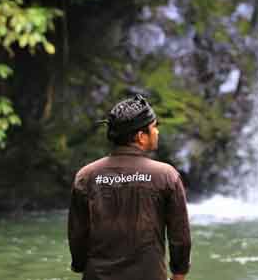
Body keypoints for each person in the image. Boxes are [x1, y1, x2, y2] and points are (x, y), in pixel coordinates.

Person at [68, 94, 191, 280]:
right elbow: (180, 236)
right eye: (154, 126)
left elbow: (77, 233)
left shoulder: (86, 176)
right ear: (141, 137)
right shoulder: (166, 176)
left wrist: (79, 265)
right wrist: (179, 273)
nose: (157, 131)